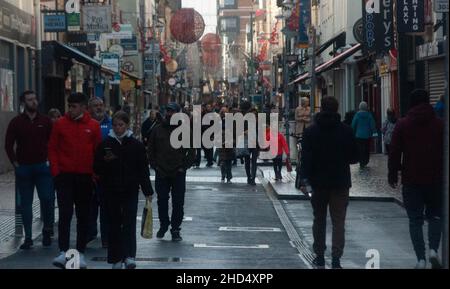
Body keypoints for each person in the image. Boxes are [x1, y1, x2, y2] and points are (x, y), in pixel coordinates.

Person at [300, 97, 359, 269]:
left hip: (317, 184)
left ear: (321, 108)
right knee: (338, 221)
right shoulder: (346, 131)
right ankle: (336, 259)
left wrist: (305, 181)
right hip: (340, 183)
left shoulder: (311, 131)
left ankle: (319, 255)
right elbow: (354, 157)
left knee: (319, 219)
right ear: (337, 108)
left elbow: (306, 160)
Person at [388, 89, 444, 269]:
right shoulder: (440, 124)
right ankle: (434, 250)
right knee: (436, 216)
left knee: (415, 220)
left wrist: (392, 173)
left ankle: (421, 259)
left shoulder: (403, 124)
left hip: (411, 178)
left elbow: (395, 152)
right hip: (436, 178)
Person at [48, 93, 102, 269]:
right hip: (64, 175)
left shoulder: (93, 126)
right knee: (64, 214)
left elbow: (98, 152)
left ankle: (80, 253)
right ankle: (63, 251)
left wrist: (94, 175)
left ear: (83, 107)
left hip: (85, 177)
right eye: (69, 106)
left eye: (74, 106)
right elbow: (53, 148)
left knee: (83, 216)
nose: (70, 109)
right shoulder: (60, 124)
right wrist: (56, 171)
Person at [94, 111, 153, 269]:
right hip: (110, 189)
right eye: (115, 125)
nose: (118, 128)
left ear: (127, 125)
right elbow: (96, 167)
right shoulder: (106, 144)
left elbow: (143, 169)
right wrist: (105, 163)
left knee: (129, 222)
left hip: (130, 189)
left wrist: (148, 190)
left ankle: (129, 255)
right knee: (113, 224)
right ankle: (115, 258)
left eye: (121, 125)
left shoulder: (136, 145)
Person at [5, 91, 55, 249]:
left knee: (47, 199)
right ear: (23, 103)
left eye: (35, 98)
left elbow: (53, 142)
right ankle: (28, 237)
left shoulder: (46, 121)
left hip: (42, 167)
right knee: (25, 204)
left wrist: (50, 161)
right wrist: (15, 164)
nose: (34, 102)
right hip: (24, 168)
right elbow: (8, 145)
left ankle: (47, 230)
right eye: (30, 100)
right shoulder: (16, 122)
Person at [147, 102, 196, 242]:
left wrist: (184, 166)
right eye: (168, 111)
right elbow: (151, 149)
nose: (170, 114)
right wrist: (154, 165)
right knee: (162, 200)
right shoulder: (157, 129)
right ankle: (164, 225)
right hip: (161, 172)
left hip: (178, 172)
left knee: (178, 202)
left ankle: (175, 228)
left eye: (173, 111)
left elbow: (192, 151)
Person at [87, 97, 112, 248]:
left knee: (106, 207)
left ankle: (106, 237)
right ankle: (90, 233)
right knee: (90, 206)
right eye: (95, 105)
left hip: (106, 173)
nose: (99, 108)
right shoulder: (86, 124)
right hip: (88, 172)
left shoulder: (111, 124)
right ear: (89, 108)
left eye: (101, 105)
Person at [351, 101, 376, 168]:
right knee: (366, 149)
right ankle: (366, 160)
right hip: (367, 135)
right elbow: (372, 125)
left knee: (360, 149)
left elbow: (353, 124)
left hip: (358, 135)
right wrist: (374, 133)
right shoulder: (369, 115)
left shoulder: (357, 115)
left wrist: (352, 131)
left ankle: (361, 160)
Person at [218, 107, 235, 183]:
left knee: (228, 160)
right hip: (221, 141)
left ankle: (228, 176)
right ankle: (223, 175)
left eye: (225, 112)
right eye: (223, 112)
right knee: (223, 160)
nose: (224, 113)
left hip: (229, 140)